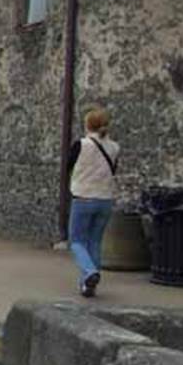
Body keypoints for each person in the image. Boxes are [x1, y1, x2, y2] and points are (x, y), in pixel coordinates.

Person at [67, 108, 120, 297]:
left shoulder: (81, 144)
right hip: (105, 199)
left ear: (88, 125)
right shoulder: (114, 147)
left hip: (83, 198)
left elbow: (68, 166)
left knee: (76, 241)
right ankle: (88, 285)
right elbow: (113, 170)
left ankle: (90, 272)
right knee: (95, 241)